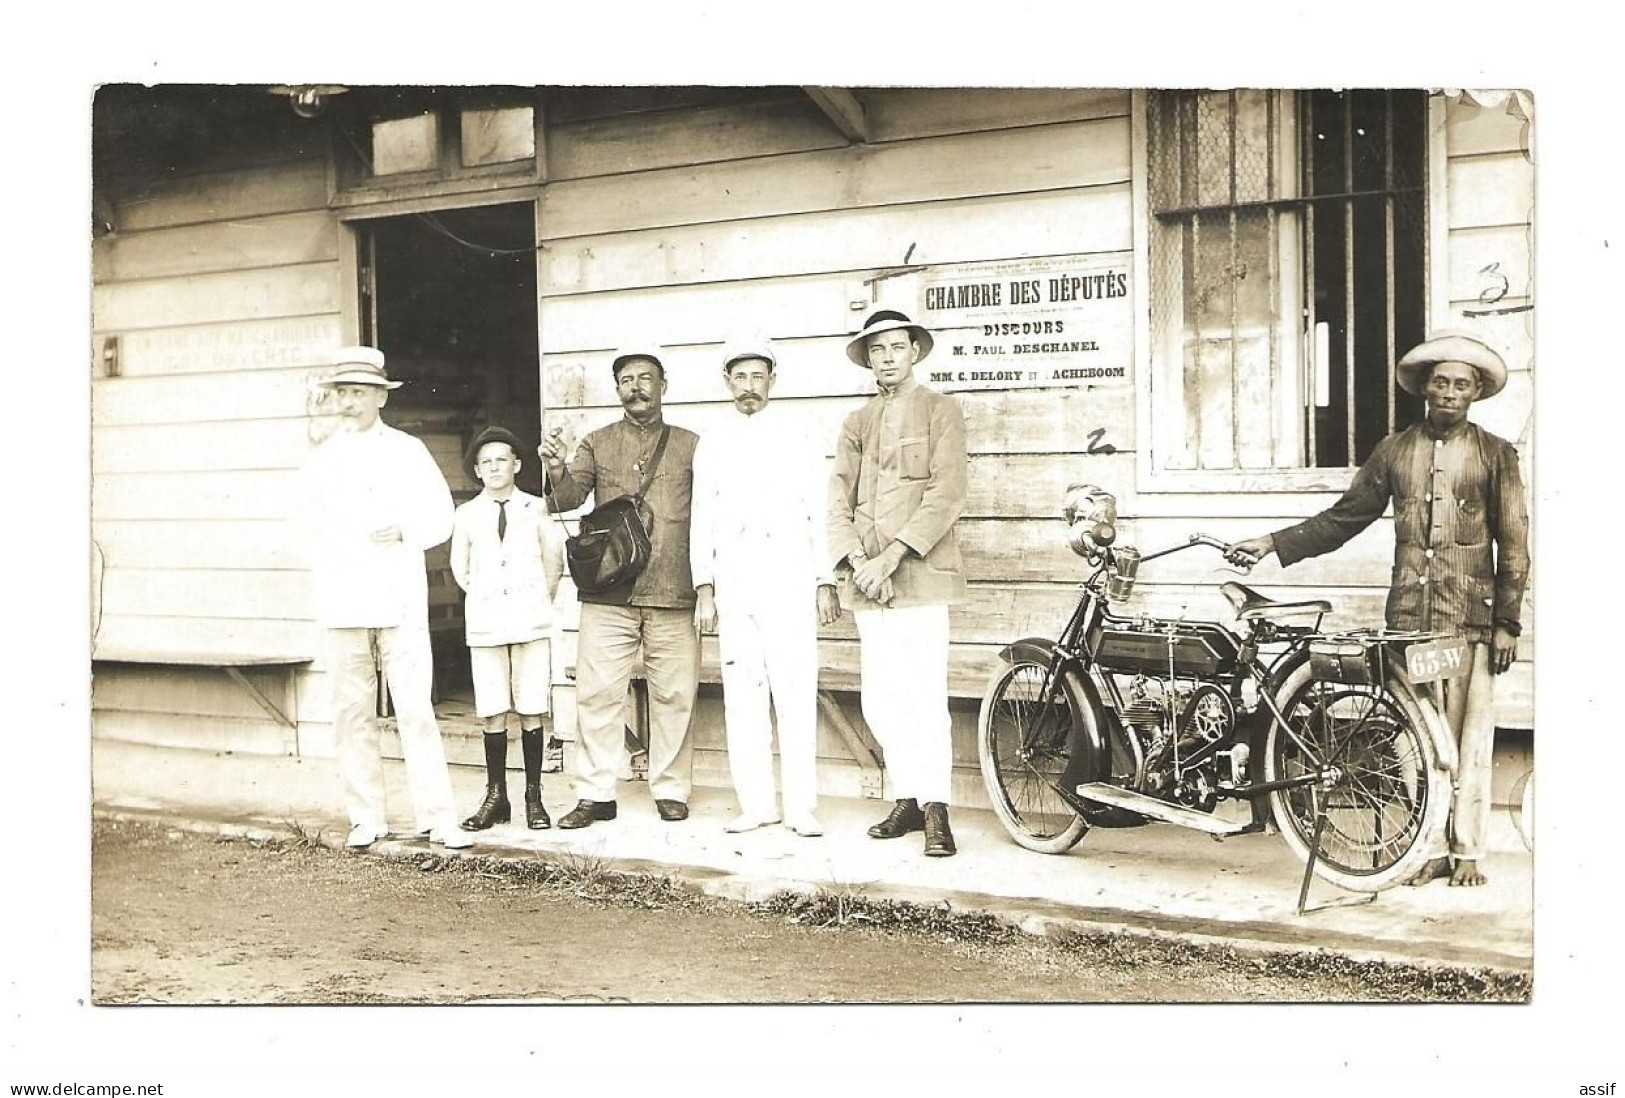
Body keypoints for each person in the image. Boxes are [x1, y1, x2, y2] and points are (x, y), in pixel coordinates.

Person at [1226, 332, 1530, 888]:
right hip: (1410, 622)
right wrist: (1272, 542)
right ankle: (1428, 847)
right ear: (1425, 389)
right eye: (1440, 382)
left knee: (1470, 736)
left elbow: (1513, 542)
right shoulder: (1394, 451)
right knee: (1413, 737)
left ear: (1476, 393)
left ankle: (1466, 852)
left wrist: (1509, 622)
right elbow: (1345, 518)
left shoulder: (1496, 454)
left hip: (1471, 622)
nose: (1450, 393)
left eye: (1462, 385)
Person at [300, 346, 472, 850]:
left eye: (357, 392)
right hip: (343, 603)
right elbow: (305, 524)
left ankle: (438, 817)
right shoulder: (322, 458)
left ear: (380, 396)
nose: (348, 402)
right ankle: (366, 816)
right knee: (352, 713)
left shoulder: (407, 451)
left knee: (415, 710)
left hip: (398, 601)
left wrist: (404, 528)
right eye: (342, 393)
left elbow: (442, 516)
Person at [538, 346, 701, 828]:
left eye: (646, 378)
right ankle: (595, 794)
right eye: (627, 379)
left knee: (674, 695)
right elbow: (564, 499)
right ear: (617, 390)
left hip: (673, 589)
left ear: (663, 386)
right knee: (597, 693)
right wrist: (555, 467)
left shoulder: (692, 445)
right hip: (608, 591)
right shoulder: (596, 441)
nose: (637, 387)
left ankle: (670, 788)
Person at [827, 309, 969, 858]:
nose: (887, 357)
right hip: (867, 577)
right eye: (877, 349)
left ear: (914, 352)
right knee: (882, 698)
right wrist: (858, 557)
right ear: (868, 358)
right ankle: (907, 797)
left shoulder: (941, 411)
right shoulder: (857, 423)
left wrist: (892, 557)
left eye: (896, 347)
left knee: (924, 695)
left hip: (920, 576)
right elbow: (838, 498)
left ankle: (937, 808)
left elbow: (946, 493)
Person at [692, 338, 842, 838]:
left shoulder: (798, 433)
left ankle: (801, 807)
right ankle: (756, 804)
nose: (749, 387)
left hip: (790, 582)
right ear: (728, 382)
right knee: (742, 695)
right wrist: (705, 587)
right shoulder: (712, 440)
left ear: (772, 381)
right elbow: (702, 518)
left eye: (758, 377)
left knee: (795, 694)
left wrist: (824, 578)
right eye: (740, 377)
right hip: (735, 586)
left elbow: (817, 509)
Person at [451, 426, 566, 832]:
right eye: (486, 463)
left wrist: (533, 597)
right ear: (477, 472)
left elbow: (554, 562)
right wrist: (489, 597)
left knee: (532, 706)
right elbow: (461, 570)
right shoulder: (466, 515)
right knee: (492, 708)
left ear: (517, 465)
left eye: (502, 460)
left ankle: (533, 797)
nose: (495, 467)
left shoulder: (536, 508)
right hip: (486, 623)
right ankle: (496, 796)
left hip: (530, 618)